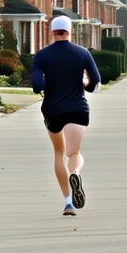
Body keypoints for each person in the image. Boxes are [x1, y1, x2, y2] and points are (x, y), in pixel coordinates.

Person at [31, 15, 100, 216]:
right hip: (77, 108)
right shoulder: (82, 53)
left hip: (53, 110)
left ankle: (68, 202)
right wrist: (84, 84)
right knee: (74, 153)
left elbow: (37, 86)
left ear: (52, 32)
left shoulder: (42, 55)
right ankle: (76, 173)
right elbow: (95, 81)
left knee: (58, 153)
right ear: (70, 31)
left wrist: (50, 84)